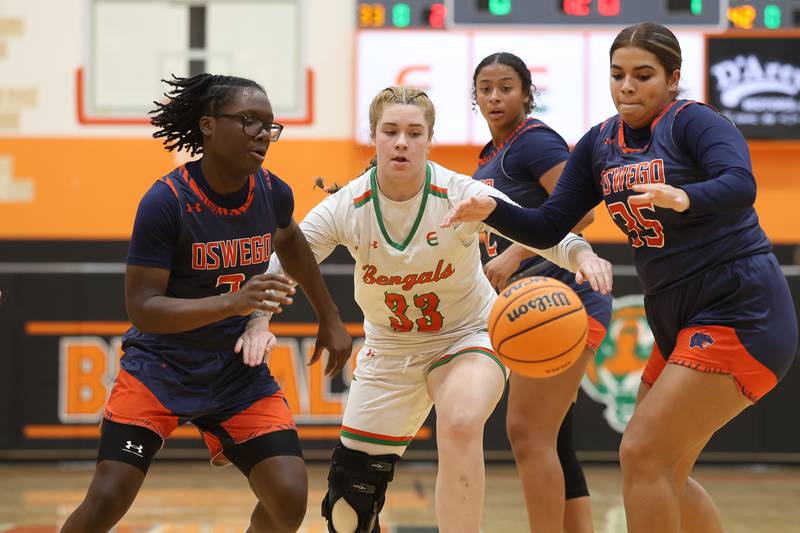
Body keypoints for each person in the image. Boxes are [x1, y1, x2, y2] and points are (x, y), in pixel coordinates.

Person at [443, 22, 798, 533]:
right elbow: (549, 224)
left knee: (641, 454)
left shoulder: (693, 122)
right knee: (665, 468)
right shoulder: (599, 143)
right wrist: (490, 209)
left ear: (673, 78)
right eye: (618, 75)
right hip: (678, 316)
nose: (627, 86)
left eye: (643, 75)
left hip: (740, 310)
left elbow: (740, 184)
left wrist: (686, 196)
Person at [240, 86, 612, 533]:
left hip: (468, 335)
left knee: (459, 420)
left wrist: (580, 254)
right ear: (374, 136)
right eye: (391, 131)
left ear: (429, 139)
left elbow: (539, 226)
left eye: (414, 133)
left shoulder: (460, 193)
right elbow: (285, 262)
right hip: (390, 350)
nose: (401, 142)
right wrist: (259, 321)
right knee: (348, 506)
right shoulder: (347, 205)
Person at [61, 73, 353, 533]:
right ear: (209, 125)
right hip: (161, 367)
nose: (263, 134)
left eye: (270, 126)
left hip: (235, 373)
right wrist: (234, 304)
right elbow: (143, 309)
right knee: (107, 495)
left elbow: (292, 237)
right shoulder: (166, 201)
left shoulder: (273, 191)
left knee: (290, 496)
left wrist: (330, 316)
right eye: (249, 121)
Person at [472, 52, 612, 533]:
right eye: (485, 87)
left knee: (527, 432)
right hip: (532, 304)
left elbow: (582, 211)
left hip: (562, 298)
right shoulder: (489, 156)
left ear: (527, 94)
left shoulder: (534, 142)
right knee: (553, 439)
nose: (495, 96)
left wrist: (513, 255)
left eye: (506, 86)